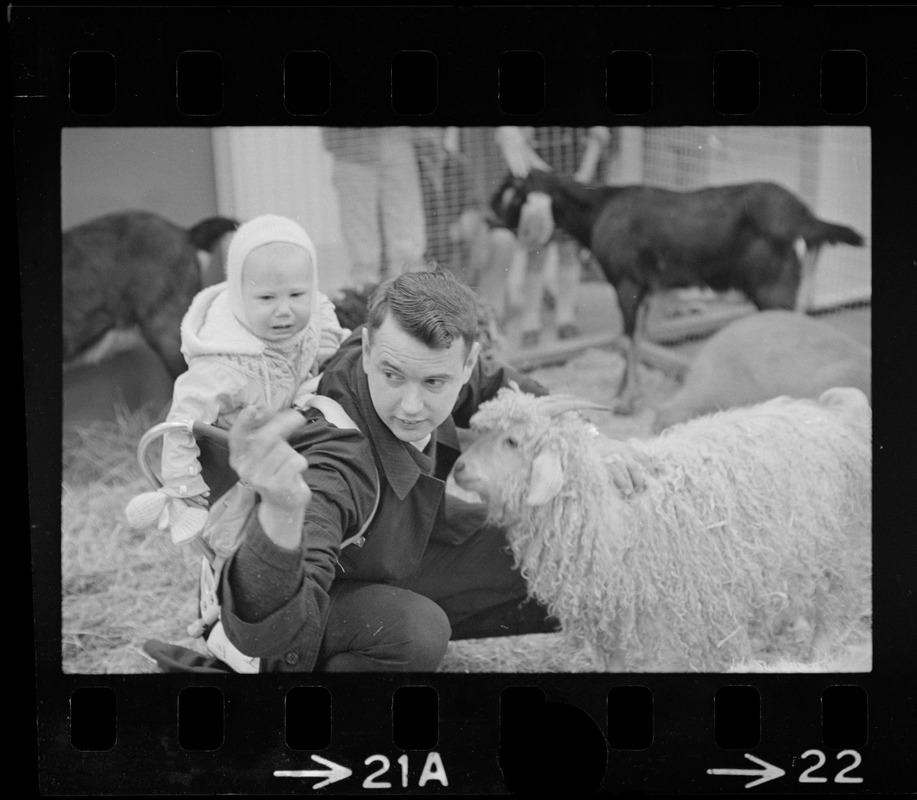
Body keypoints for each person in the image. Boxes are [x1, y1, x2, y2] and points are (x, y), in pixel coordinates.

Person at [149, 270, 648, 673]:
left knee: (551, 553)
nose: (411, 405)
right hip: (292, 604)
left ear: (465, 363)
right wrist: (281, 510)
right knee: (415, 632)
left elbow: (504, 386)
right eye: (392, 376)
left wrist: (590, 439)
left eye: (435, 381)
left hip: (386, 555)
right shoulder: (335, 458)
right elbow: (269, 633)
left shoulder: (436, 364)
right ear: (365, 348)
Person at [125, 214, 349, 545]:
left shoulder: (315, 316)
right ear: (238, 294)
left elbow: (333, 350)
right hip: (234, 466)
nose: (284, 310)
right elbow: (183, 420)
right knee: (236, 537)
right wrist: (186, 487)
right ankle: (224, 581)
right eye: (267, 298)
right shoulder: (224, 361)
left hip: (293, 447)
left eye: (297, 295)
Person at [494, 126, 614, 347]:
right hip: (541, 185)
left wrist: (581, 174)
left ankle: (565, 318)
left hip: (574, 179)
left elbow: (597, 139)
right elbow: (519, 146)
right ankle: (531, 322)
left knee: (569, 251)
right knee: (537, 253)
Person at [322, 127, 428, 291]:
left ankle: (411, 294)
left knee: (407, 236)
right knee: (362, 247)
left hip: (397, 136)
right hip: (351, 143)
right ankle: (365, 296)